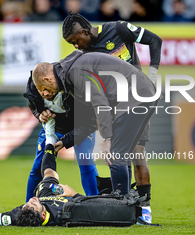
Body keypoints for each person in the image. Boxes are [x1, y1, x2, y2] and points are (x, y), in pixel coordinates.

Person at [31, 50, 160, 223]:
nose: (45, 95)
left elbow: (100, 103)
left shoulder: (74, 73)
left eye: (44, 90)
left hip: (134, 97)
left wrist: (106, 139)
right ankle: (138, 211)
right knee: (127, 154)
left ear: (47, 79)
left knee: (116, 154)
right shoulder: (70, 71)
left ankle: (121, 210)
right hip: (141, 93)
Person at [61, 12, 162, 223]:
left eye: (75, 40)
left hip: (136, 101)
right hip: (111, 108)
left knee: (137, 154)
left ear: (86, 32)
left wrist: (151, 76)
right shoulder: (85, 54)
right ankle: (124, 206)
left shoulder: (118, 29)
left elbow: (154, 40)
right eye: (71, 44)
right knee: (116, 156)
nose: (76, 46)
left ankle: (144, 211)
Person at [23, 72, 99, 202]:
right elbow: (34, 106)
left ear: (50, 79)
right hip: (55, 128)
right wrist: (39, 114)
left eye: (46, 89)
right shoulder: (34, 85)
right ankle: (28, 207)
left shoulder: (75, 83)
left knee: (85, 160)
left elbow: (92, 122)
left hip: (80, 127)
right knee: (38, 166)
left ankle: (96, 204)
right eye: (41, 90)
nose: (45, 94)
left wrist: (65, 141)